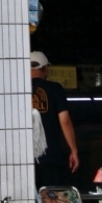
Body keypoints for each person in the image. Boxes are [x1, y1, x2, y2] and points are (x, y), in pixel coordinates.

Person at [30, 51, 78, 188]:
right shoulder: (55, 89)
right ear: (46, 69)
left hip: (24, 156)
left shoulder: (18, 89)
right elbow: (65, 120)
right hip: (52, 155)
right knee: (50, 198)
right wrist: (73, 150)